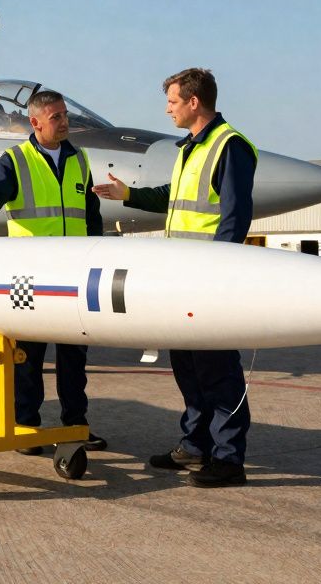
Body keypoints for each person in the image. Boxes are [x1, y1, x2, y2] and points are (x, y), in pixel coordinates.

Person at [93, 67, 257, 487]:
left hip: (208, 281)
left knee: (219, 371)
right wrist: (127, 194)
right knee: (188, 369)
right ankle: (196, 446)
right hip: (183, 279)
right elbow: (174, 196)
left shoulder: (229, 147)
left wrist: (217, 275)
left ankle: (228, 459)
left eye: (172, 101)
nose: (167, 109)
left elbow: (235, 217)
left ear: (194, 102)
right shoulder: (190, 148)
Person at [0, 90, 106, 454]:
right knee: (27, 357)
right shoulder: (16, 159)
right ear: (36, 122)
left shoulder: (80, 159)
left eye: (64, 115)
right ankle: (27, 426)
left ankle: (76, 426)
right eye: (56, 117)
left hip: (73, 271)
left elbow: (91, 214)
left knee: (74, 358)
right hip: (29, 275)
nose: (64, 123)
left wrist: (101, 251)